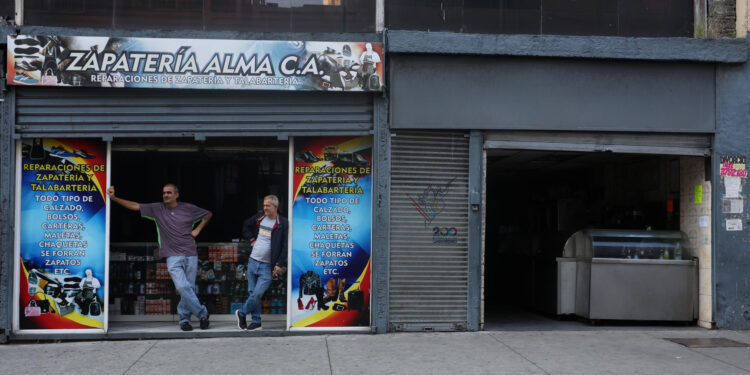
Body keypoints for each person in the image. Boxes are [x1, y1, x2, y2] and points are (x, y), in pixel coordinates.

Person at [108, 184, 212, 331]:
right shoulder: (157, 208)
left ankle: (184, 320)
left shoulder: (188, 208)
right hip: (172, 256)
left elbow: (208, 214)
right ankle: (202, 313)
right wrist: (114, 198)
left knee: (188, 289)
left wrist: (197, 230)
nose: (165, 195)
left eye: (169, 193)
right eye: (164, 193)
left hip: (190, 253)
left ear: (176, 195)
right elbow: (135, 206)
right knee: (182, 287)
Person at [235, 194, 288, 331]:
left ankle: (241, 313)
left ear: (275, 206)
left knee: (258, 293)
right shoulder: (259, 218)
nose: (265, 208)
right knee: (253, 292)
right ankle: (256, 321)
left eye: (268, 205)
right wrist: (251, 239)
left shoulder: (282, 223)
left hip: (267, 266)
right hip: (253, 261)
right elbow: (245, 226)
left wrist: (279, 264)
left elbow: (285, 246)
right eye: (264, 205)